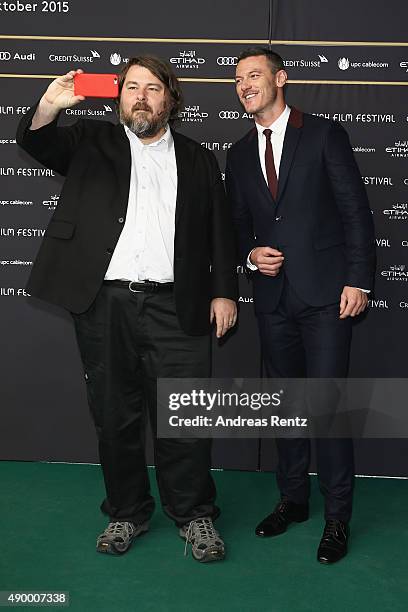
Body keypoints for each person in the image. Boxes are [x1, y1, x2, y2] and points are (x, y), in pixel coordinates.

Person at [17, 55, 237, 562]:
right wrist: (50, 104)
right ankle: (126, 512)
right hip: (104, 303)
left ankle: (195, 515)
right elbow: (36, 140)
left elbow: (220, 232)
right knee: (114, 415)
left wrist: (224, 291)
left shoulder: (199, 158)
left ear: (170, 99)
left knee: (184, 417)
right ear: (119, 98)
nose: (141, 96)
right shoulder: (91, 141)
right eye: (132, 87)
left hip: (176, 306)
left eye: (152, 88)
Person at [226, 48, 375, 564]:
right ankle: (293, 500)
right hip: (274, 301)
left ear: (280, 79)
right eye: (239, 79)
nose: (245, 85)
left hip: (328, 296)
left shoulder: (325, 134)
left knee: (327, 409)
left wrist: (359, 279)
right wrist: (249, 254)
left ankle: (338, 517)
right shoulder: (239, 152)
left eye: (254, 75)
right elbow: (239, 226)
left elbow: (356, 212)